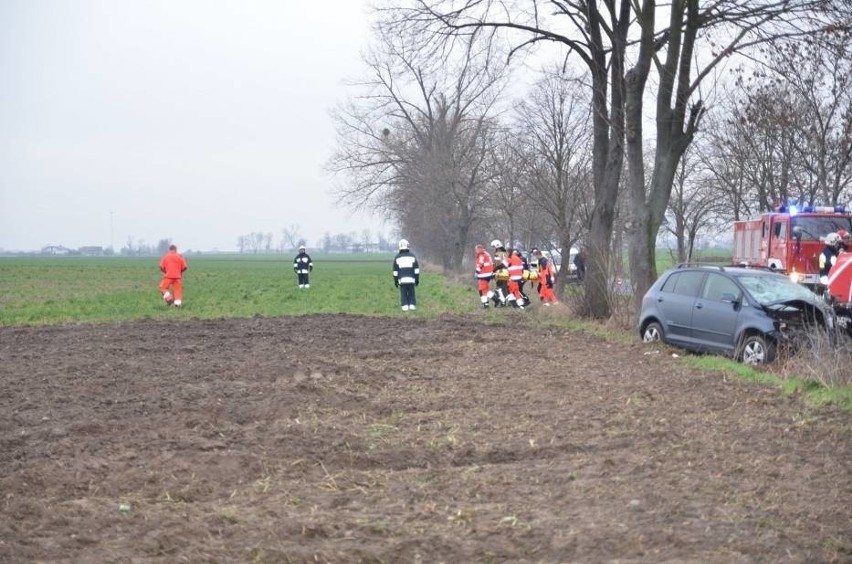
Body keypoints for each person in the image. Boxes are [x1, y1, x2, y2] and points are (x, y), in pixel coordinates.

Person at [392, 238, 420, 311]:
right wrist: (417, 279)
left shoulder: (397, 257)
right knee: (411, 293)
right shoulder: (412, 256)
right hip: (411, 280)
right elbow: (416, 270)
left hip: (402, 280)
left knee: (403, 294)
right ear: (407, 246)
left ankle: (404, 307)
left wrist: (395, 281)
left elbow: (395, 272)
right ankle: (412, 306)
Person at [474, 244, 495, 308]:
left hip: (484, 274)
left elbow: (481, 263)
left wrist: (476, 272)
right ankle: (486, 304)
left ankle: (495, 299)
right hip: (488, 274)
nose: (475, 251)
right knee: (485, 289)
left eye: (476, 249)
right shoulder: (486, 253)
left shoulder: (481, 254)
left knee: (481, 290)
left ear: (478, 249)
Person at [490, 239, 510, 306]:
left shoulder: (499, 253)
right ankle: (505, 302)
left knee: (500, 288)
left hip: (501, 272)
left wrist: (494, 270)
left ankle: (503, 302)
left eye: (494, 247)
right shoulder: (505, 252)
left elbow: (498, 264)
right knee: (504, 287)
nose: (494, 248)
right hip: (506, 272)